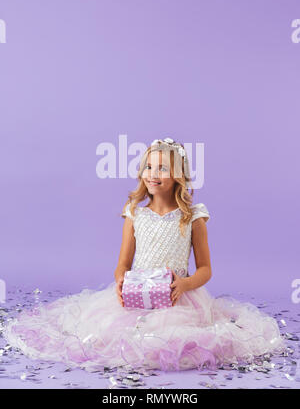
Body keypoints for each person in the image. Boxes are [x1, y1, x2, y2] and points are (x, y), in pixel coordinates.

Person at [2, 137, 286, 372]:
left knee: (173, 339)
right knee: (110, 335)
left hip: (178, 300)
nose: (152, 174)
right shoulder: (135, 214)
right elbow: (122, 264)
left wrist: (184, 284)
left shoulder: (192, 217)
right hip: (138, 294)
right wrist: (121, 283)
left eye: (162, 169)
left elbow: (205, 269)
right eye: (148, 167)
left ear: (178, 176)